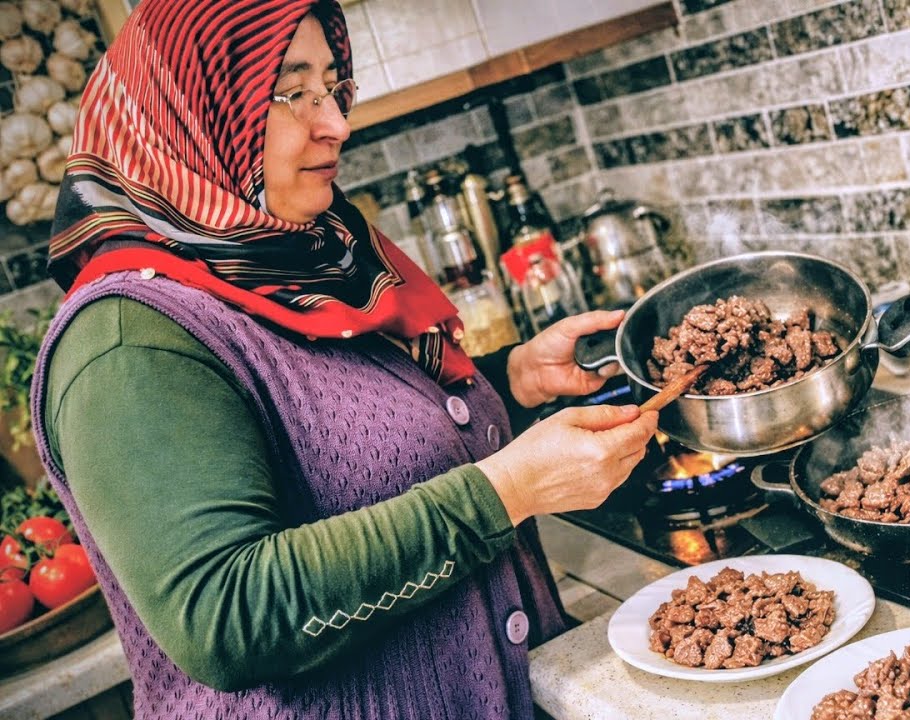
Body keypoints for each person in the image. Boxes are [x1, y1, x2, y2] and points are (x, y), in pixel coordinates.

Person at [31, 1, 658, 718]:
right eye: (290, 92)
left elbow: (348, 440)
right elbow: (226, 618)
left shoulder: (304, 259)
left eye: (333, 87)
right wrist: (508, 491)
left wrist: (508, 383)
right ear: (189, 113)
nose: (335, 122)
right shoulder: (128, 338)